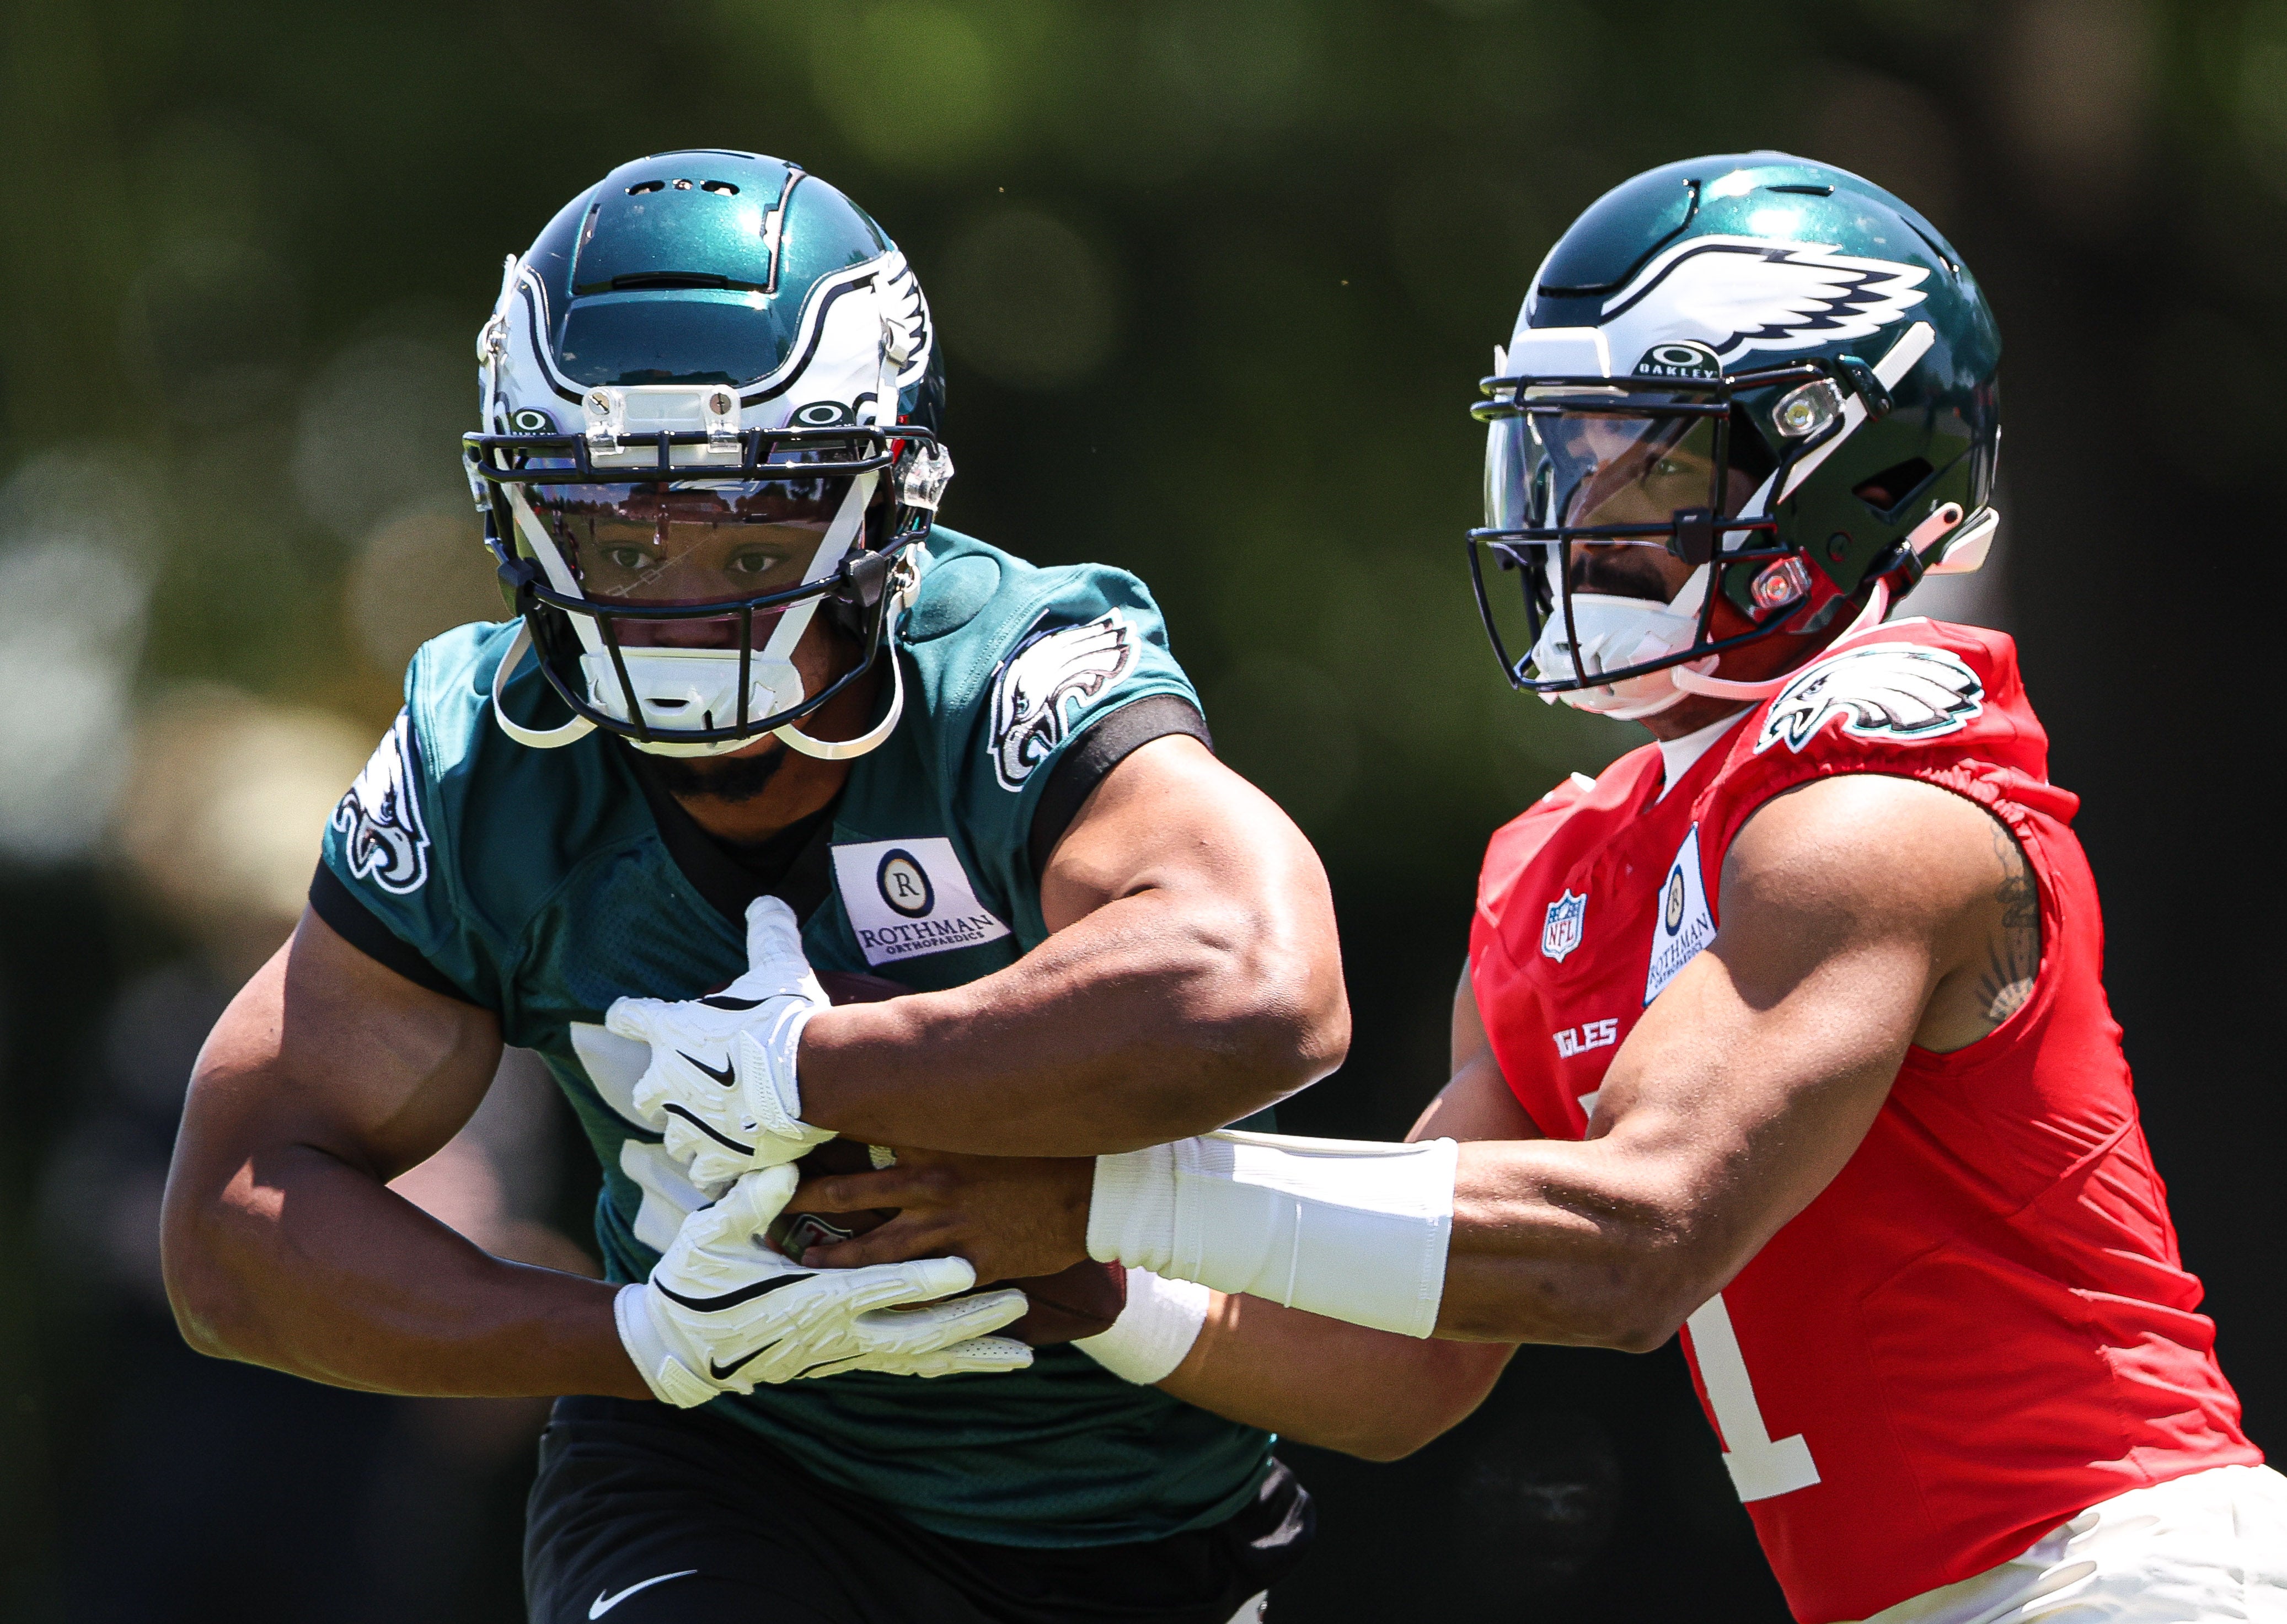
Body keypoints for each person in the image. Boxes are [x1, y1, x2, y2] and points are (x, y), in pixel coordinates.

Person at [794, 154, 2287, 1623]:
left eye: (1650, 462)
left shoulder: (1871, 810)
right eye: (1562, 456)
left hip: (2114, 1567)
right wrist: (1090, 1275)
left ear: (1847, 467)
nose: (1580, 514)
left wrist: (1111, 1189)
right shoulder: (1569, 862)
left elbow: (1638, 1232)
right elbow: (1403, 1362)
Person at [159, 149, 1407, 1624]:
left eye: (750, 528)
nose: (683, 597)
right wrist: (636, 1336)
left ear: (888, 502)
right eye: (620, 532)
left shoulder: (1007, 675)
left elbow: (1265, 985)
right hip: (723, 1466)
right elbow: (230, 1230)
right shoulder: (486, 755)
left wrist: (814, 1064)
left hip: (1122, 1507)